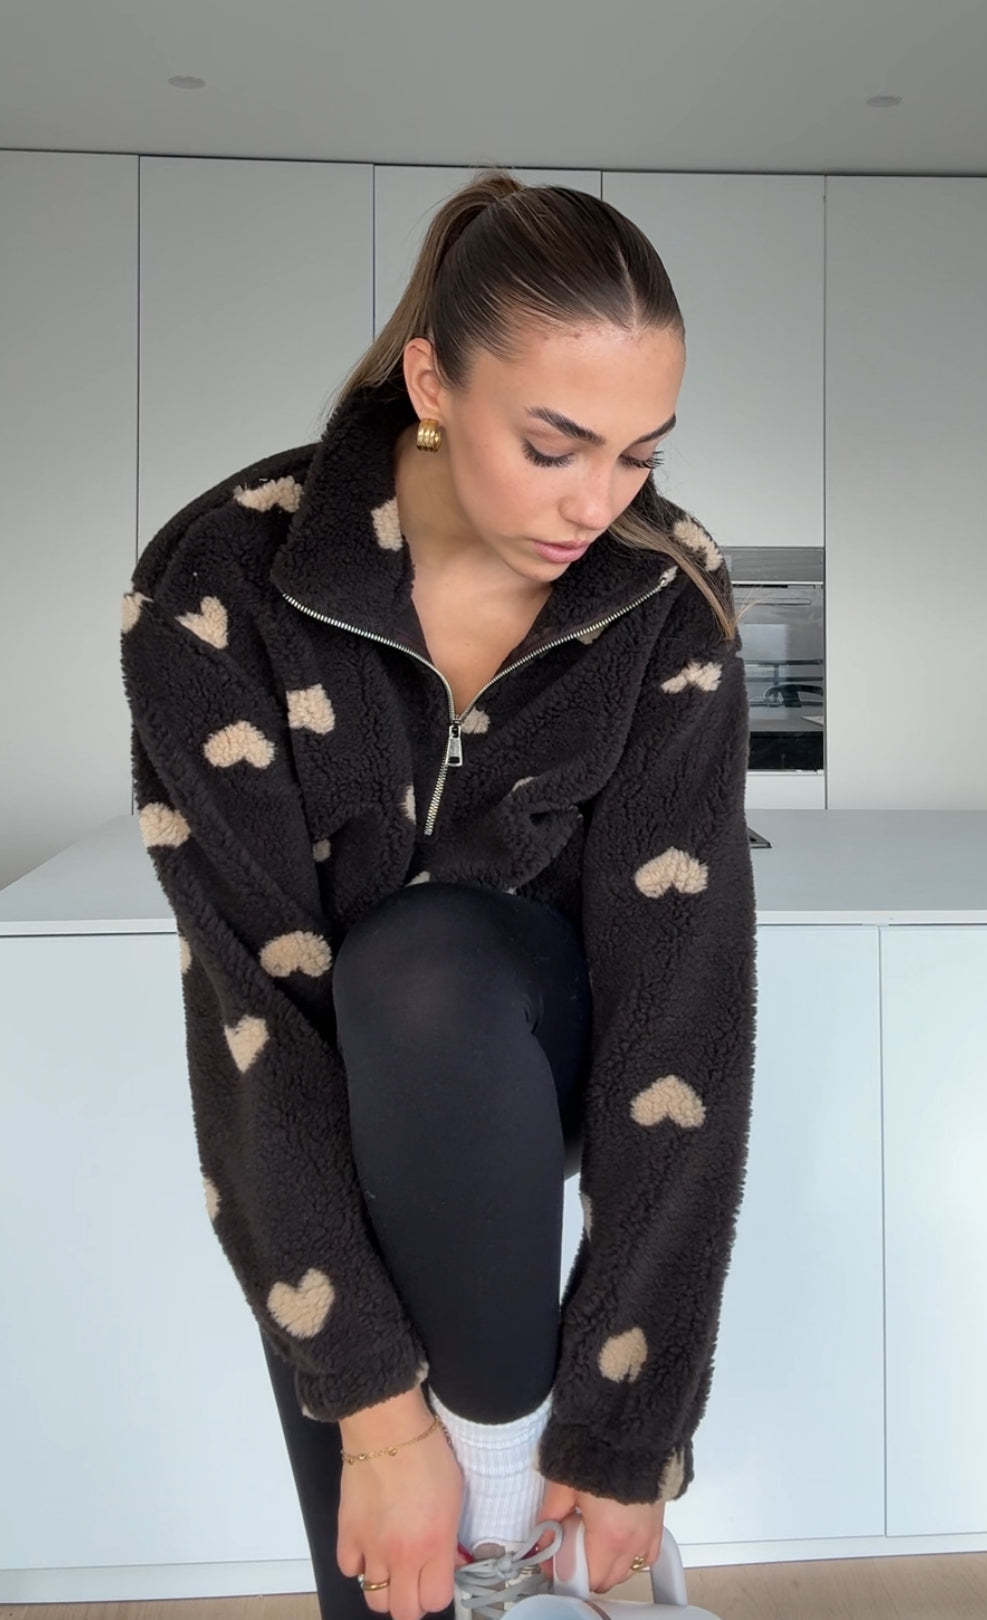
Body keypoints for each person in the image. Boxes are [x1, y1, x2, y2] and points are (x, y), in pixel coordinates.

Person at [119, 168, 757, 1620]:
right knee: (386, 1567)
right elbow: (250, 1010)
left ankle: (510, 1530)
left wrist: (625, 1431)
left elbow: (682, 1011)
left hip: (550, 1048)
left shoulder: (662, 595)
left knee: (423, 966)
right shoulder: (222, 582)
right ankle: (511, 1560)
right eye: (552, 446)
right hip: (322, 1103)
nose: (598, 504)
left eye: (639, 456)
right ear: (429, 383)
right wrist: (378, 1418)